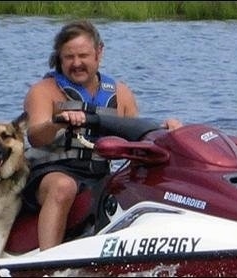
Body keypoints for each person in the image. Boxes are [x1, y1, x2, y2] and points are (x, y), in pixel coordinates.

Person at [23, 20, 182, 251]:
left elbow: (138, 139)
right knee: (63, 186)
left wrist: (167, 132)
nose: (76, 63)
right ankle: (48, 262)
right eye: (69, 57)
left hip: (97, 174)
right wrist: (58, 122)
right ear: (60, 57)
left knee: (137, 184)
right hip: (48, 173)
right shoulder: (43, 91)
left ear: (99, 53)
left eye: (83, 55)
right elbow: (35, 136)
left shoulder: (120, 93)